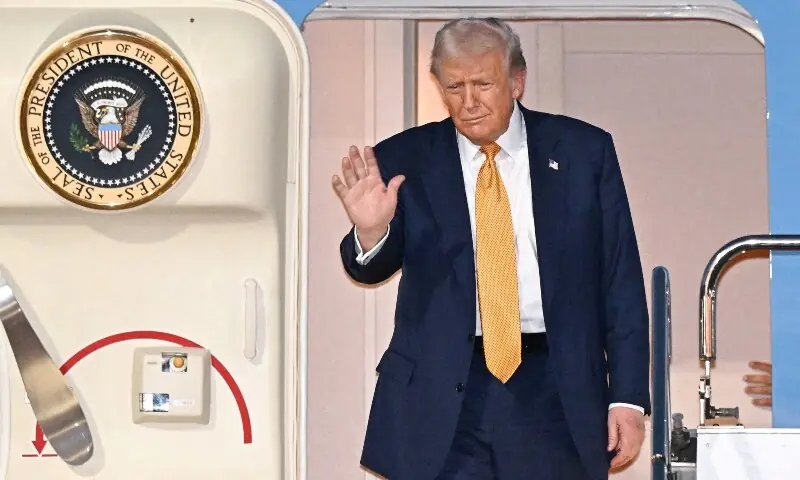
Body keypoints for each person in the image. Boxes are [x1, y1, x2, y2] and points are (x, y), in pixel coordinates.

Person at [332, 17, 650, 480]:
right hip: (442, 395)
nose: (468, 102)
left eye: (483, 83)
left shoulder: (584, 152)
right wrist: (369, 233)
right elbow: (370, 268)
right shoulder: (405, 158)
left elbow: (620, 280)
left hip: (554, 389)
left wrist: (626, 397)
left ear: (517, 81)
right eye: (454, 86)